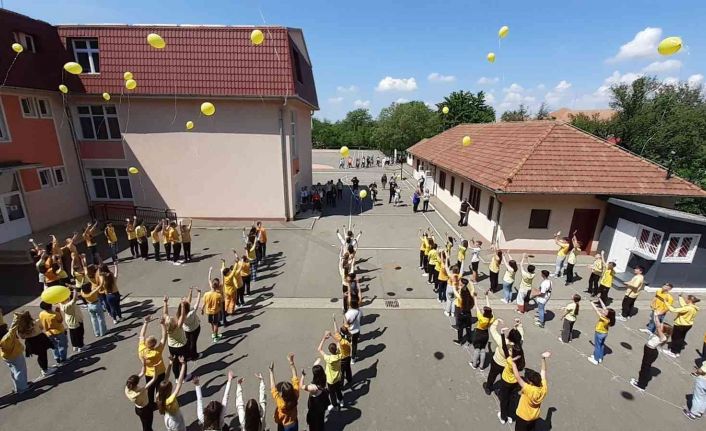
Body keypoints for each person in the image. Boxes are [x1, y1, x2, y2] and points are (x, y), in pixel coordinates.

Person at [630, 313, 672, 391]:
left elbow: (658, 327)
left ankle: (641, 385)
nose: (659, 326)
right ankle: (640, 381)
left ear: (664, 330)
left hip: (650, 352)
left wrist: (658, 323)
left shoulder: (663, 337)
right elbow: (657, 323)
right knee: (644, 367)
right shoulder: (660, 333)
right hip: (649, 351)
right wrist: (656, 315)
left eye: (661, 326)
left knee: (645, 368)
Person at [512, 352, 551, 431]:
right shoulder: (543, 388)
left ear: (531, 383)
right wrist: (543, 358)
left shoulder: (529, 389)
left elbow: (517, 377)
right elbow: (543, 371)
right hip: (534, 416)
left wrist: (513, 363)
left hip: (523, 417)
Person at [484, 318, 523, 396]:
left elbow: (493, 330)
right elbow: (521, 336)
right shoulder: (519, 345)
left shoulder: (502, 342)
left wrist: (496, 321)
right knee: (504, 378)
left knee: (492, 375)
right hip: (507, 365)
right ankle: (502, 391)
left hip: (497, 361)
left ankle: (488, 387)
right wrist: (519, 325)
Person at [497, 327, 526, 424]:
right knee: (510, 399)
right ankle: (510, 416)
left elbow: (504, 347)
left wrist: (502, 334)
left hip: (506, 380)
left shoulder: (510, 360)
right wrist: (519, 326)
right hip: (515, 381)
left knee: (504, 400)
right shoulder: (520, 355)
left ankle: (503, 417)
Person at [138, 316, 167, 408]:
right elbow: (164, 337)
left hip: (149, 373)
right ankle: (160, 402)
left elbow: (141, 335)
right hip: (160, 372)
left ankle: (151, 403)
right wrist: (163, 324)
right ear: (154, 344)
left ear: (146, 344)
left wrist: (145, 323)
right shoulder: (157, 351)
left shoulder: (142, 349)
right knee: (160, 388)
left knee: (150, 389)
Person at [15, 311, 54, 378]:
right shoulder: (36, 322)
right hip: (40, 339)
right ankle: (45, 370)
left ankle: (44, 368)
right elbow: (41, 328)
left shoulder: (20, 328)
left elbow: (22, 337)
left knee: (40, 355)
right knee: (43, 355)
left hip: (30, 343)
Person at [125, 359, 159, 431]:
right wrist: (155, 368)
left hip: (138, 409)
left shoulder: (127, 388)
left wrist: (144, 363)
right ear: (136, 384)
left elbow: (142, 372)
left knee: (145, 423)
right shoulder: (140, 392)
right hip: (146, 409)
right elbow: (154, 378)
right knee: (148, 426)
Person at [270, 353, 300, 431]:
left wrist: (271, 372)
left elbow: (273, 389)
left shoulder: (281, 403)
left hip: (284, 425)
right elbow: (295, 379)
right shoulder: (296, 395)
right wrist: (291, 363)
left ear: (283, 394)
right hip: (294, 422)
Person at [156, 357, 187, 431]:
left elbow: (166, 378)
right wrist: (183, 365)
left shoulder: (158, 395)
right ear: (169, 390)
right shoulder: (170, 399)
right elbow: (179, 382)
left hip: (167, 418)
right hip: (176, 420)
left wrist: (170, 364)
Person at [0, 311, 28, 394]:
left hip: (6, 356)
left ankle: (17, 386)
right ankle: (23, 388)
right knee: (20, 371)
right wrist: (17, 317)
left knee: (13, 371)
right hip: (15, 354)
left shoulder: (2, 339)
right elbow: (13, 327)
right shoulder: (7, 337)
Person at [317, 331, 345, 410]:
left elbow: (319, 349)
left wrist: (324, 338)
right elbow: (338, 342)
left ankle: (334, 404)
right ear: (336, 349)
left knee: (332, 393)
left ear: (329, 351)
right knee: (338, 390)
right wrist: (332, 335)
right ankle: (341, 401)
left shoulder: (328, 358)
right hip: (338, 377)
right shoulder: (339, 355)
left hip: (330, 379)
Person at [162, 296, 188, 379]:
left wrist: (165, 302)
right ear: (174, 322)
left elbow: (165, 314)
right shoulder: (178, 326)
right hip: (181, 346)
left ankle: (177, 377)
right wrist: (182, 305)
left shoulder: (167, 328)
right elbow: (182, 315)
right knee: (183, 361)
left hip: (171, 346)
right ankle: (184, 376)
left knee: (175, 362)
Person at [38, 301, 68, 365]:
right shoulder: (55, 314)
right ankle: (63, 359)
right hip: (59, 331)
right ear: (51, 306)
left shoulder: (41, 314)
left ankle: (57, 357)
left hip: (49, 333)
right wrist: (59, 312)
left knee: (54, 346)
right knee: (62, 345)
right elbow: (60, 320)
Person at [470, 292, 494, 369]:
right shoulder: (492, 318)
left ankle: (474, 364)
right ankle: (481, 366)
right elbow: (489, 307)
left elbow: (476, 306)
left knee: (477, 349)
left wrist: (475, 297)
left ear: (484, 312)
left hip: (478, 333)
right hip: (485, 334)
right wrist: (486, 296)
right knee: (483, 349)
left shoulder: (481, 318)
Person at [588, 298, 615, 365]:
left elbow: (596, 311)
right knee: (601, 345)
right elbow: (604, 306)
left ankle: (595, 359)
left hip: (599, 333)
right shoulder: (609, 319)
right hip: (604, 333)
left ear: (607, 315)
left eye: (605, 312)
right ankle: (600, 357)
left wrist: (591, 303)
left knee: (597, 346)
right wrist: (600, 299)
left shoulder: (604, 319)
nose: (603, 311)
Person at [303, 364, 329, 431]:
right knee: (320, 419)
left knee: (313, 423)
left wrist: (303, 376)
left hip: (314, 406)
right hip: (322, 402)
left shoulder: (313, 388)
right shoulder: (324, 377)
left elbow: (302, 386)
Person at [60, 288, 84, 352]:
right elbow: (74, 299)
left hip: (69, 321)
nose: (68, 298)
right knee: (79, 334)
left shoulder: (61, 305)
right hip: (76, 320)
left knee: (72, 334)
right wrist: (75, 290)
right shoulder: (68, 305)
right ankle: (81, 346)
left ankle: (75, 346)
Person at [202, 273, 224, 342]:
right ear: (217, 286)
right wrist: (221, 310)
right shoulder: (218, 295)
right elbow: (220, 304)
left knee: (212, 323)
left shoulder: (206, 294)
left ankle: (213, 334)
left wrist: (202, 309)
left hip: (208, 311)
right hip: (215, 311)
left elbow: (204, 303)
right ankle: (216, 337)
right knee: (216, 324)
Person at [333, 315, 353, 386]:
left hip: (342, 358)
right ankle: (349, 379)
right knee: (348, 369)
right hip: (348, 356)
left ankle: (341, 384)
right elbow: (347, 327)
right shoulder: (349, 337)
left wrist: (334, 321)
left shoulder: (340, 340)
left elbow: (336, 330)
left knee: (341, 372)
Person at [182, 288, 201, 361]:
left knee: (188, 341)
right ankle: (194, 356)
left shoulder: (181, 314)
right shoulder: (191, 312)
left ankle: (188, 355)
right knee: (193, 342)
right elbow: (197, 302)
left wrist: (190, 292)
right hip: (194, 328)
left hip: (187, 329)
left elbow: (188, 302)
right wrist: (199, 293)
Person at [453, 279, 474, 345]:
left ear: (463, 284)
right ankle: (469, 340)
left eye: (460, 283)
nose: (459, 283)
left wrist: (453, 284)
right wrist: (471, 284)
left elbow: (455, 291)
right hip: (468, 311)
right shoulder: (468, 292)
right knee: (468, 326)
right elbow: (472, 291)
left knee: (460, 326)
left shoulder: (461, 296)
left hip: (460, 311)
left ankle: (460, 340)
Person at [345, 293, 362, 363]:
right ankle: (353, 358)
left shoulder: (348, 314)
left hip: (349, 331)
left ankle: (346, 355)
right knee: (354, 345)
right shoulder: (359, 311)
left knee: (347, 343)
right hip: (357, 330)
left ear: (350, 304)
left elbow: (345, 323)